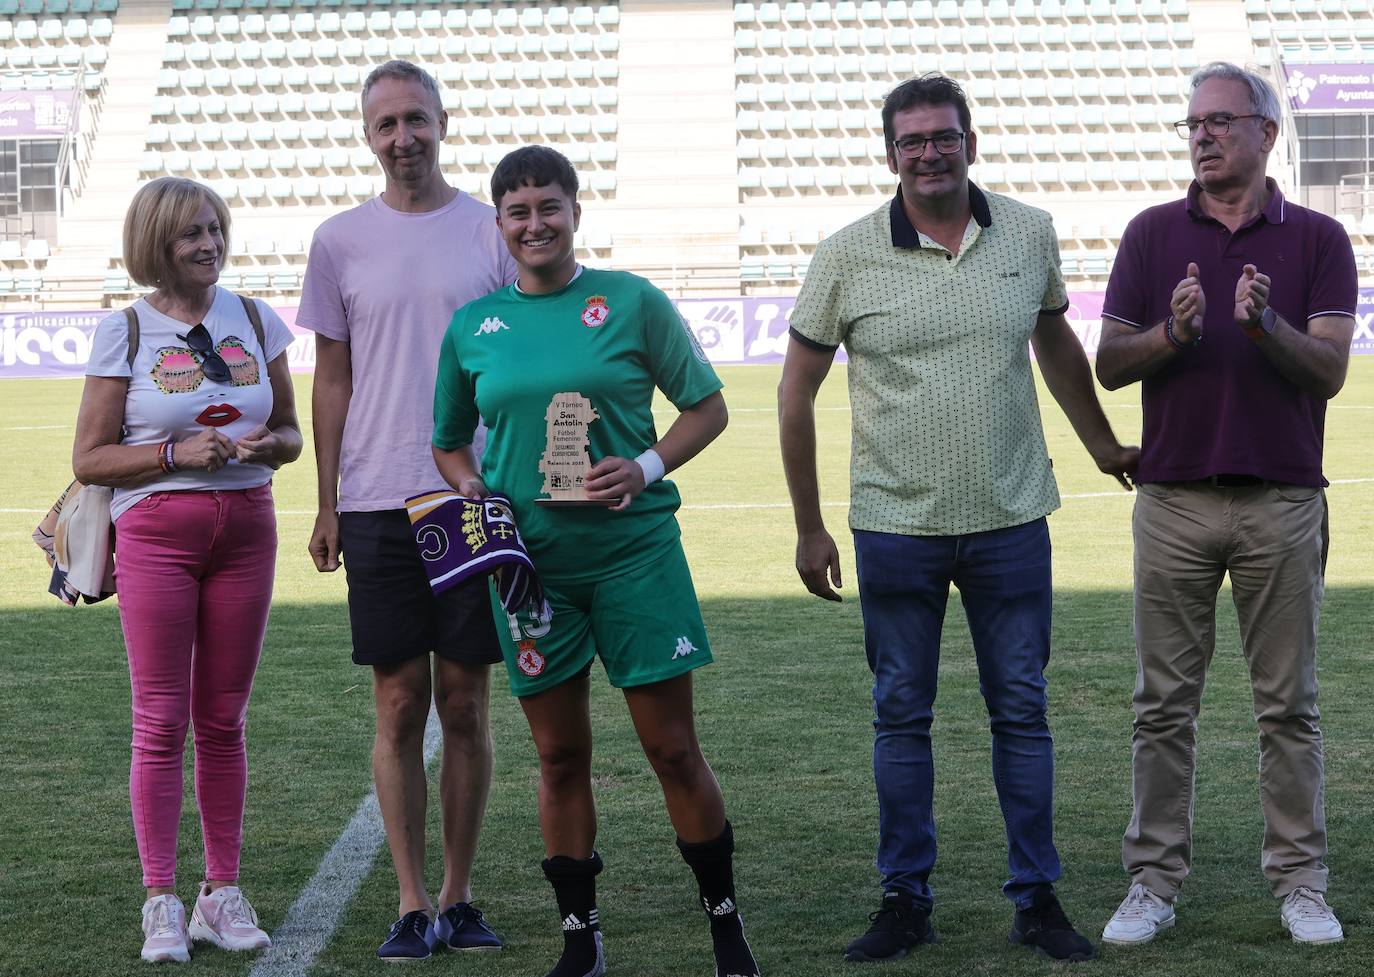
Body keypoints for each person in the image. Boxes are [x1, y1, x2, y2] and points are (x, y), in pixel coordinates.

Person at [777, 74, 1139, 964]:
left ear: (970, 142)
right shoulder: (846, 253)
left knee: (1021, 708)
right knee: (901, 713)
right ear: (889, 153)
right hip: (894, 525)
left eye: (943, 137)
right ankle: (905, 897)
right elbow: (796, 391)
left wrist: (1099, 442)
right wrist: (809, 523)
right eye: (912, 141)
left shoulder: (1029, 231)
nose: (929, 153)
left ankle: (1038, 897)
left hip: (1013, 515)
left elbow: (1055, 339)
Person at [431, 145, 761, 977]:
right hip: (531, 573)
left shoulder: (630, 300)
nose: (534, 223)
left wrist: (645, 466)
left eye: (550, 206)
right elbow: (447, 444)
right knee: (558, 755)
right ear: (500, 224)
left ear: (576, 212)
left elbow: (708, 406)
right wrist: (473, 489)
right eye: (518, 211)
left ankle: (727, 930)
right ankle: (582, 941)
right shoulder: (473, 326)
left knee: (673, 748)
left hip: (635, 556)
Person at [1096, 62, 1356, 947]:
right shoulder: (1150, 233)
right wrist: (1175, 333)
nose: (1202, 136)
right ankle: (1153, 882)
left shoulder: (1320, 237)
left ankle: (1300, 881)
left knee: (1288, 706)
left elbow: (1329, 370)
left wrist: (1262, 326)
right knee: (1162, 705)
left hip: (1283, 501)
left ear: (1266, 133)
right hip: (1171, 500)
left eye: (1219, 121)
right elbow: (1111, 363)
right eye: (1193, 124)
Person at [298, 60, 517, 961]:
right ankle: (410, 896)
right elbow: (332, 377)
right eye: (386, 123)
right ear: (367, 135)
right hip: (378, 499)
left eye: (416, 120)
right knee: (398, 704)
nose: (403, 138)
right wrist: (326, 502)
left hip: (469, 495)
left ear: (442, 122)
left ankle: (460, 897)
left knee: (465, 703)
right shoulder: (339, 240)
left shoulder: (491, 230)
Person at [72, 176, 301, 963]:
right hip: (156, 536)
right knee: (161, 718)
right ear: (154, 246)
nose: (207, 245)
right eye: (188, 235)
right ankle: (161, 898)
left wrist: (267, 445)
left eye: (213, 229)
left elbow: (294, 434)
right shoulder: (126, 330)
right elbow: (90, 457)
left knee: (225, 718)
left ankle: (222, 892)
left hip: (248, 527)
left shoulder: (258, 318)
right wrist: (173, 452)